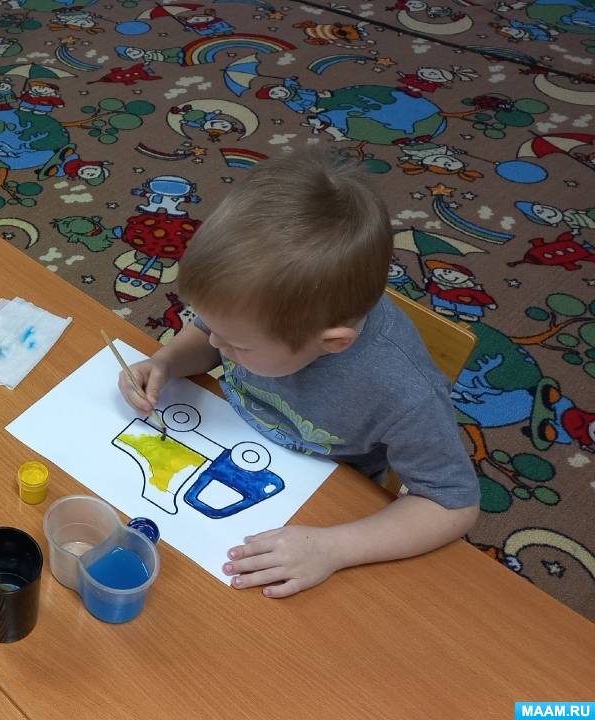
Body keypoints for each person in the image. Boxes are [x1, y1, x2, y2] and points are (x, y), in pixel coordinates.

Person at [118, 151, 479, 598]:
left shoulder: (404, 392)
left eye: (238, 345)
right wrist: (167, 362)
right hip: (227, 435)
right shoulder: (255, 311)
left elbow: (453, 504)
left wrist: (333, 548)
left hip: (324, 507)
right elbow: (211, 334)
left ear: (332, 343)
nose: (216, 344)